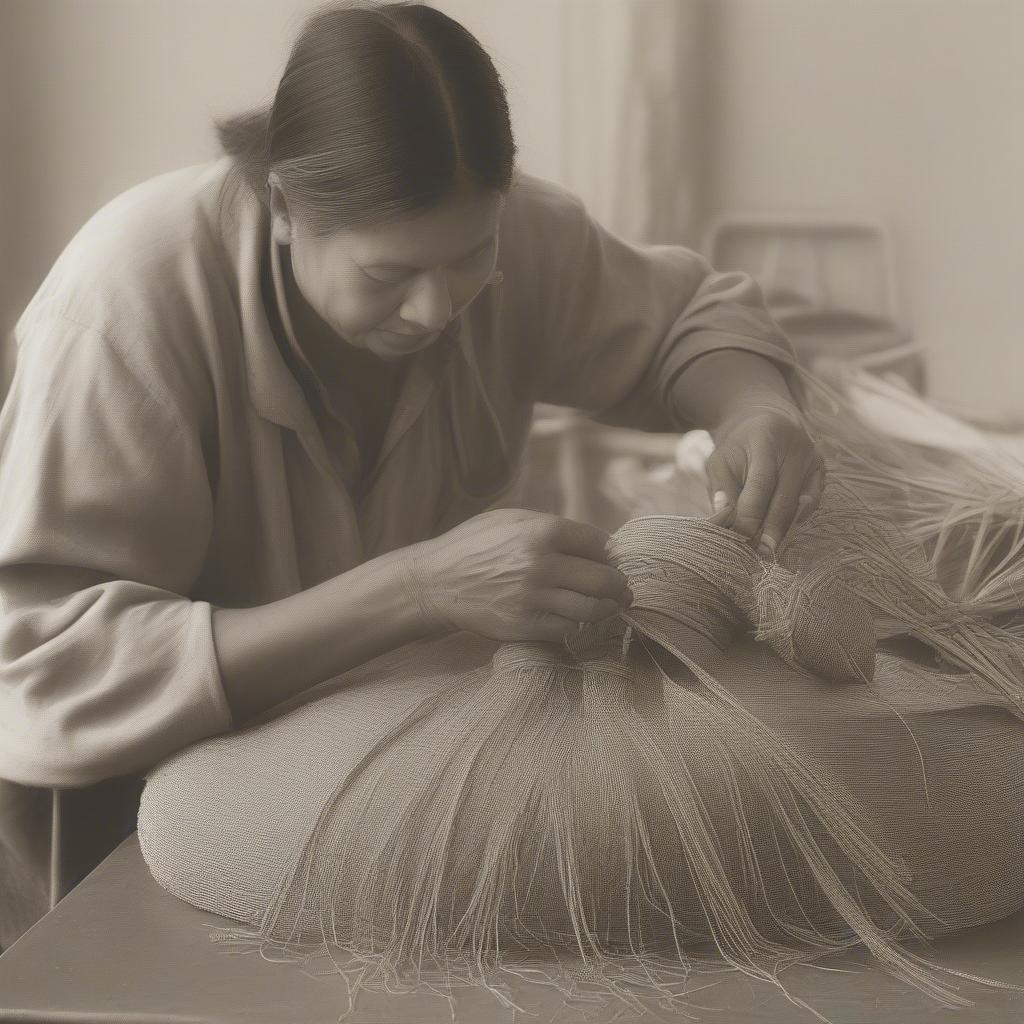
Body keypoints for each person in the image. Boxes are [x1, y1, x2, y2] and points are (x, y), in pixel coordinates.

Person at [0, 0, 821, 943]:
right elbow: (46, 672)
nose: (435, 308)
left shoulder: (508, 242)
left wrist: (755, 408)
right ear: (283, 209)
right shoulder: (122, 307)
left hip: (370, 771)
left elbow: (691, 318)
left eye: (471, 257)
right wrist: (418, 587)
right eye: (388, 275)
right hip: (118, 823)